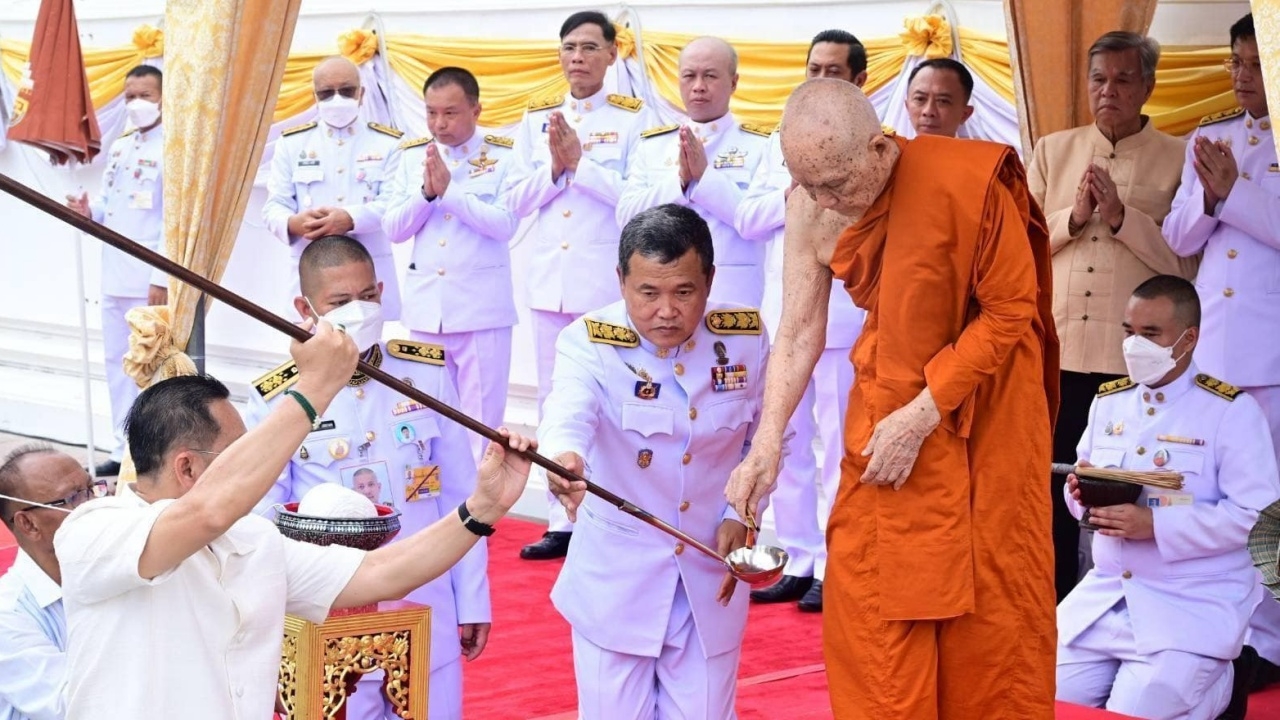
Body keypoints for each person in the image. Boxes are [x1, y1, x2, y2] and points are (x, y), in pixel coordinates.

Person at [726, 79, 1059, 718]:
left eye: (836, 185)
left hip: (988, 405)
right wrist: (765, 442)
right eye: (809, 184)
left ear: (880, 150)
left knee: (992, 587)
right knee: (872, 580)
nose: (825, 201)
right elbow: (797, 329)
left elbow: (1011, 308)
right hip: (892, 388)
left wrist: (922, 413)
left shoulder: (966, 183)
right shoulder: (811, 204)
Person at [53, 326, 536, 720]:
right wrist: (317, 386)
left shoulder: (250, 540)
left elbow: (381, 573)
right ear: (187, 468)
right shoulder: (95, 528)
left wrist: (483, 509)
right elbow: (205, 512)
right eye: (242, 456)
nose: (262, 474)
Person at [245, 235, 484, 720]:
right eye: (340, 302)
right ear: (305, 307)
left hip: (424, 604)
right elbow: (262, 517)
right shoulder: (278, 397)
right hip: (328, 616)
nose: (359, 310)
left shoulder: (426, 372)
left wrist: (473, 597)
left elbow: (464, 495)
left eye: (368, 297)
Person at [543, 203, 764, 719]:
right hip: (617, 584)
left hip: (710, 574)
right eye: (648, 293)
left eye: (683, 292)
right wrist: (563, 460)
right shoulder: (587, 342)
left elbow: (769, 438)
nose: (666, 311)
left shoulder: (744, 338)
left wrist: (742, 515)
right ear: (621, 281)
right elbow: (566, 412)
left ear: (709, 280)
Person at [1057, 275, 1280, 719]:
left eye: (1150, 334)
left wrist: (1155, 525)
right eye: (1129, 332)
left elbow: (1258, 516)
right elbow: (1080, 481)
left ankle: (1223, 682)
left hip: (1188, 606)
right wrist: (1083, 497)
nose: (1134, 345)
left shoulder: (1229, 412)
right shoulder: (1110, 403)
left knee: (1138, 709)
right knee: (1037, 694)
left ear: (1188, 337)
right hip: (1102, 599)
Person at [1028, 31, 1198, 602]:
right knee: (1048, 482)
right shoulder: (1052, 150)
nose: (1110, 91)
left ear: (1148, 85)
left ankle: (1123, 596)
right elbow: (1016, 250)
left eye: (1125, 79)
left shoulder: (1180, 157)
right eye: (1099, 80)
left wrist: (1124, 218)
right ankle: (1049, 602)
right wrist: (1073, 218)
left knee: (1122, 483)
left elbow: (1186, 263)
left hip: (1134, 359)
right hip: (1056, 352)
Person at [503, 11, 652, 561]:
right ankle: (558, 520)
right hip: (550, 284)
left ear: (613, 54)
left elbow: (639, 201)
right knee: (552, 400)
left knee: (616, 400)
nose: (578, 58)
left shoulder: (635, 120)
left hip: (605, 287)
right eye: (569, 48)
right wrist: (553, 169)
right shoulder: (535, 118)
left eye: (590, 47)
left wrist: (580, 165)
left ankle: (613, 513)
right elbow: (513, 201)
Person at [1162, 11, 1280, 695]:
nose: (1240, 79)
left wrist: (1235, 191)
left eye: (1254, 65)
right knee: (1210, 493)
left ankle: (1266, 638)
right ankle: (1219, 631)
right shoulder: (1212, 137)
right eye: (1235, 63)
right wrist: (1209, 194)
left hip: (1269, 352)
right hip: (1214, 349)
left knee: (1266, 505)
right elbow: (1180, 236)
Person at [733, 29, 868, 612]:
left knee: (839, 443)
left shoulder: (872, 142)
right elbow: (746, 214)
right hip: (783, 316)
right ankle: (796, 552)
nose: (820, 80)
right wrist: (798, 188)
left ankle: (837, 564)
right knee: (782, 437)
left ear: (859, 80)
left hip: (841, 318)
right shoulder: (779, 138)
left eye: (833, 71)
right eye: (813, 69)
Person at [382, 67, 519, 468]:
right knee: (425, 420)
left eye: (451, 113)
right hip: (427, 311)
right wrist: (426, 193)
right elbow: (394, 228)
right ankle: (432, 520)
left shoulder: (503, 156)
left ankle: (476, 529)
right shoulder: (411, 157)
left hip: (481, 312)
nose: (439, 124)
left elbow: (505, 224)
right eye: (431, 113)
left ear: (476, 109)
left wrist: (451, 193)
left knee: (481, 427)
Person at [64, 64, 168, 478]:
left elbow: (174, 220)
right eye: (130, 96)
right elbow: (109, 207)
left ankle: (152, 449)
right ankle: (120, 445)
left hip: (150, 279)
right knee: (117, 362)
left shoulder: (173, 148)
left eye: (145, 95)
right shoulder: (122, 146)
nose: (136, 104)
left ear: (164, 97)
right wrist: (89, 213)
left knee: (156, 365)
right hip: (115, 275)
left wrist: (161, 276)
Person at [618, 37, 771, 308]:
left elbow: (758, 224)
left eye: (710, 76)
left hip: (732, 292)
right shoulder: (654, 145)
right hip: (664, 295)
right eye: (689, 76)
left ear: (734, 82)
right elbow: (627, 216)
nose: (698, 86)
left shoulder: (761, 145)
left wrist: (706, 179)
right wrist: (679, 181)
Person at [263, 56, 405, 319]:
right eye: (327, 93)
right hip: (312, 279)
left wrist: (350, 219)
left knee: (372, 357)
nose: (337, 99)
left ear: (361, 94)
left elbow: (396, 205)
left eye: (346, 90)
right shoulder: (293, 143)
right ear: (315, 96)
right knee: (312, 355)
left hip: (369, 279)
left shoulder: (388, 143)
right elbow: (274, 206)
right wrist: (294, 223)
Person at [0, 447, 92, 720]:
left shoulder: (104, 572)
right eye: (73, 498)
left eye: (92, 488)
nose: (94, 505)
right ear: (28, 524)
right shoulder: (8, 615)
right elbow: (72, 707)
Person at [904, 58, 974, 138]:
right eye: (920, 99)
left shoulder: (982, 150)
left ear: (965, 114)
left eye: (943, 101)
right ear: (907, 107)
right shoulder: (892, 148)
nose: (928, 111)